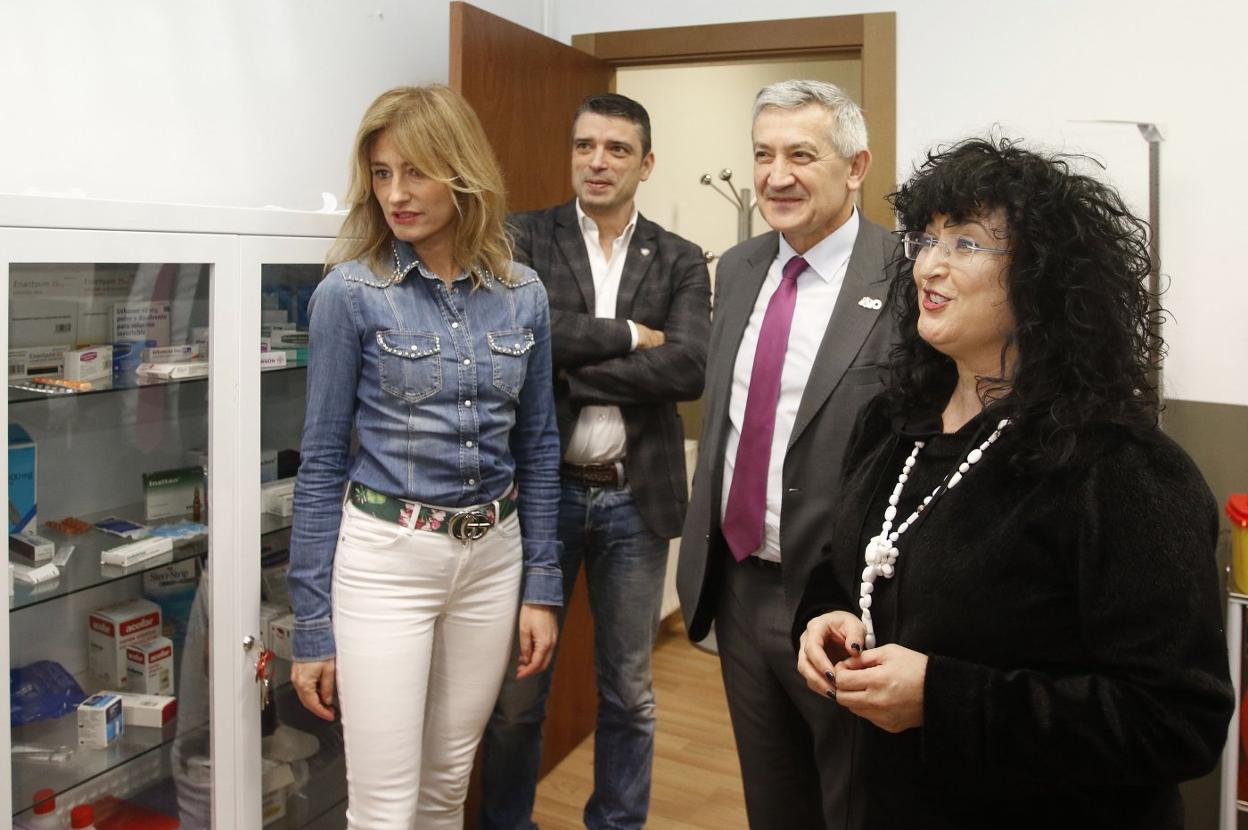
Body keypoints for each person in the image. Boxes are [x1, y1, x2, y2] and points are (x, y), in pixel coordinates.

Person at [794, 137, 1234, 828]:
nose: (929, 266)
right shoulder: (893, 422)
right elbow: (846, 567)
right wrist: (826, 620)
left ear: (1045, 279)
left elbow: (1177, 721)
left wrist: (944, 699)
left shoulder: (1118, 468)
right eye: (928, 239)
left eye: (966, 243)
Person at [286, 85, 563, 830]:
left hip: (491, 556)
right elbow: (318, 464)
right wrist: (310, 625)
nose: (396, 194)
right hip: (386, 560)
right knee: (382, 807)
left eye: (416, 172)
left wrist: (543, 583)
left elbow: (537, 445)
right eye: (381, 174)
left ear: (463, 171)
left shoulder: (522, 293)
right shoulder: (350, 293)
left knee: (446, 789)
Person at [480, 92, 711, 830]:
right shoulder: (523, 236)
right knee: (517, 696)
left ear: (645, 163)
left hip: (633, 500)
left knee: (629, 691)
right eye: (585, 146)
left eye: (616, 149)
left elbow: (689, 369)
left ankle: (616, 823)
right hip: (537, 499)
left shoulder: (678, 257)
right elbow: (518, 331)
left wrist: (569, 371)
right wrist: (628, 336)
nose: (597, 161)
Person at [675, 79, 899, 830]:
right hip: (740, 586)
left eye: (802, 155)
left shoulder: (903, 276)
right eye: (763, 154)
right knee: (772, 799)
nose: (776, 176)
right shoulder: (738, 268)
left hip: (845, 604)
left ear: (857, 165)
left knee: (855, 801)